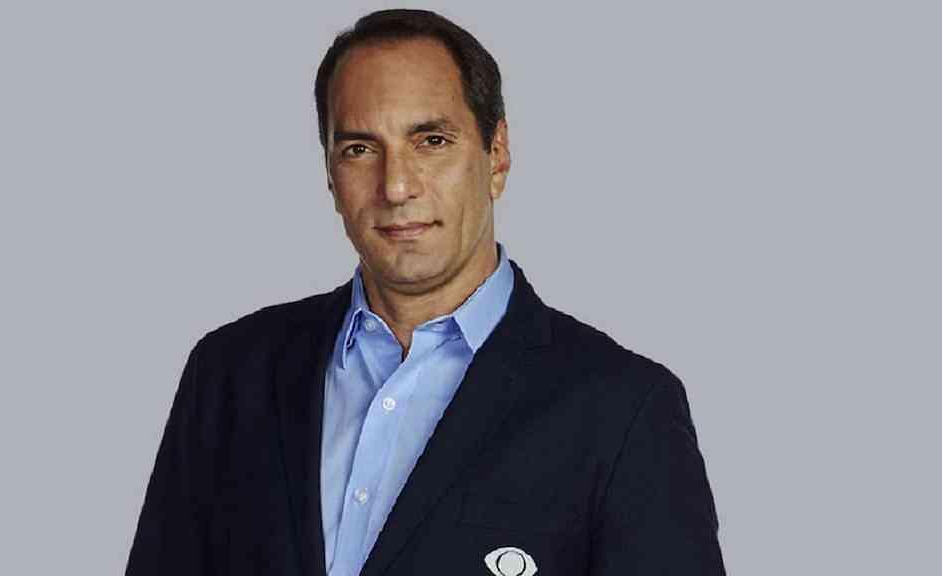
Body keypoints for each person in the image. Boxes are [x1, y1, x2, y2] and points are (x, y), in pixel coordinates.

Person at [126, 9, 725, 576]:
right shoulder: (229, 375)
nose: (395, 185)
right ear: (330, 174)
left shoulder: (623, 411)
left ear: (496, 156)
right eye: (360, 149)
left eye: (431, 141)